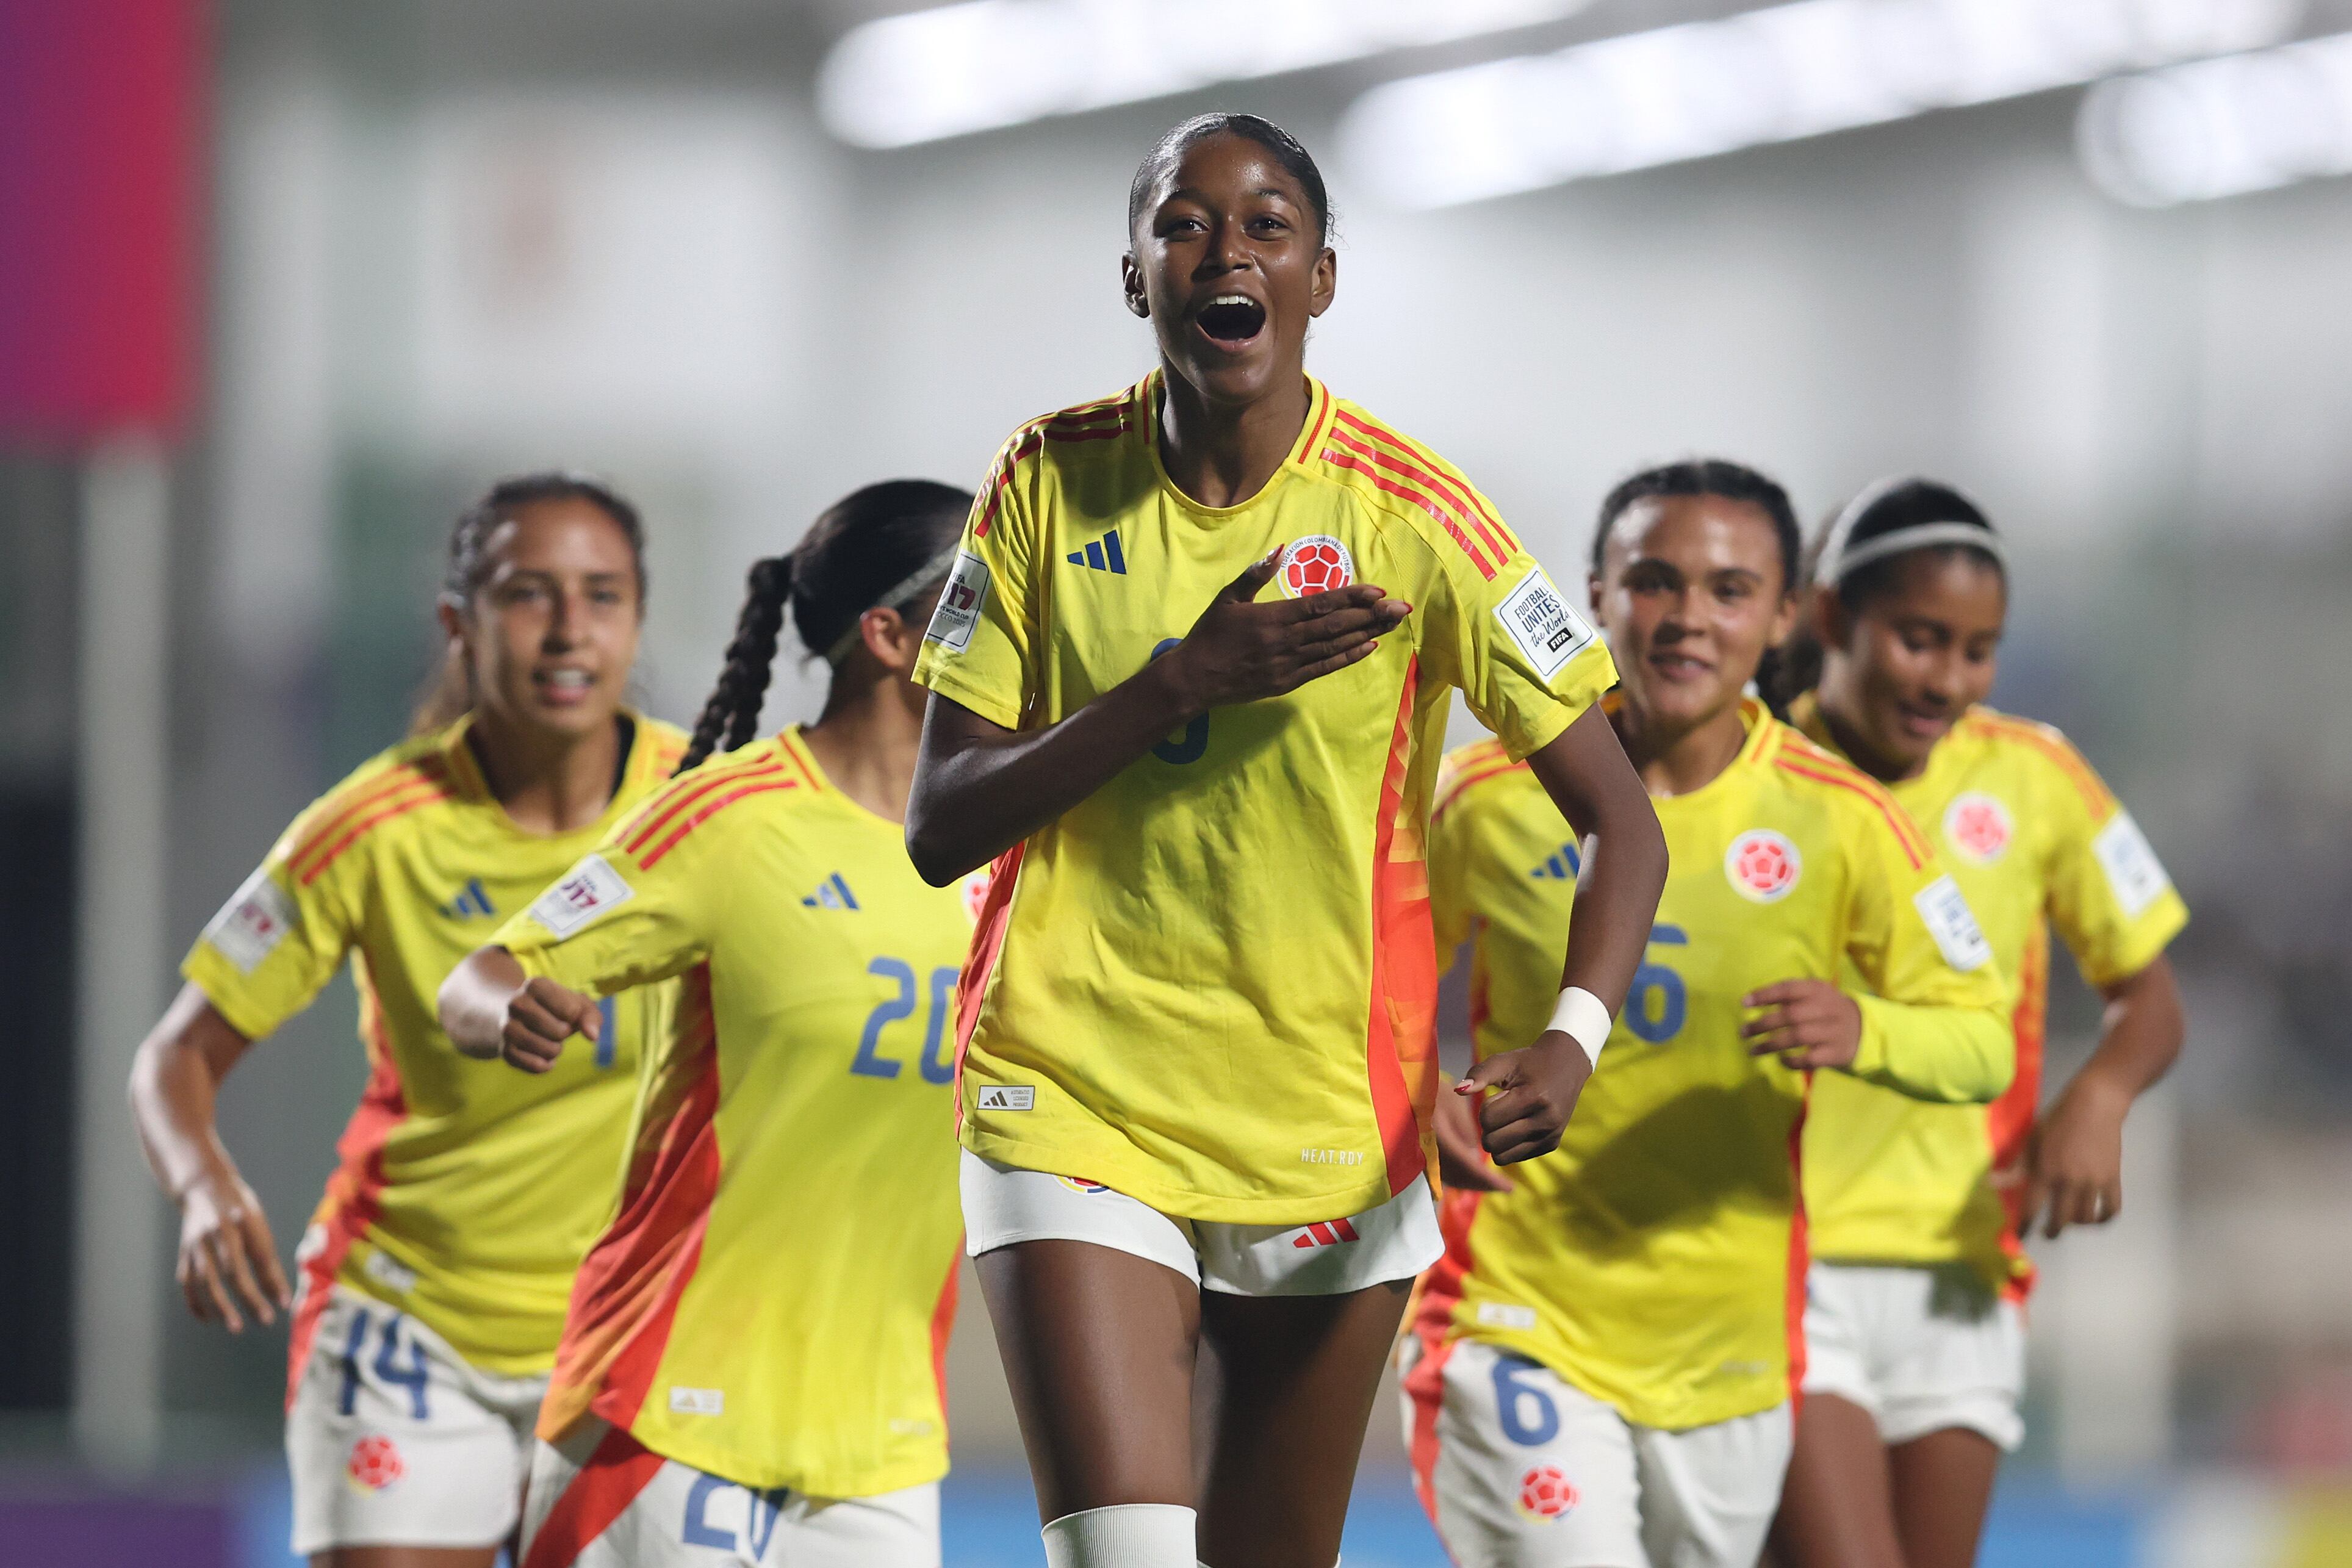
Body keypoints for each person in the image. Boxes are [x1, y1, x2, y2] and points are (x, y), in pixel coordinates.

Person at [901, 112, 1669, 1568]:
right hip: (1069, 1086)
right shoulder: (1042, 481)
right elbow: (940, 825)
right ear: (1135, 278)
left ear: (1321, 275)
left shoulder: (1418, 518)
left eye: (1264, 226)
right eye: (1183, 224)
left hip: (1329, 1118)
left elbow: (1619, 821)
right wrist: (1174, 684)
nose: (1224, 250)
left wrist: (1571, 1036)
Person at [1403, 461, 2016, 1568]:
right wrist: (1411, 1095)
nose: (1689, 617)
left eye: (1731, 591)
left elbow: (1982, 1036)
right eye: (1655, 581)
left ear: (1784, 617)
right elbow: (1364, 978)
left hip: (1733, 1361)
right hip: (1514, 1319)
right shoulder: (1484, 794)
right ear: (1596, 592)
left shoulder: (1846, 821)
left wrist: (1865, 1030)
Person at [128, 474, 687, 1567]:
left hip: (639, 1333)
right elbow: (177, 1056)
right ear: (458, 623)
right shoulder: (371, 827)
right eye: (531, 595)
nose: (570, 630)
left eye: (603, 596)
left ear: (636, 619)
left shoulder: (710, 802)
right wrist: (203, 1187)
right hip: (408, 1323)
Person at [437, 480, 980, 1568]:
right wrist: (509, 1009)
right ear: (888, 635)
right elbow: (482, 974)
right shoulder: (729, 821)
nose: (1027, 627)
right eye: (987, 598)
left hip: (881, 1451)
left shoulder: (1012, 850)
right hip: (664, 1414)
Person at [1766, 479, 2189, 1568]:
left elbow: (2152, 994)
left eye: (1976, 649)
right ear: (1830, 620)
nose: (1947, 677)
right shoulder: (1750, 772)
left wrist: (2099, 1095)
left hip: (1964, 1263)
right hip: (1779, 1255)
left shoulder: (2035, 776)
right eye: (1919, 638)